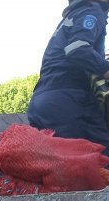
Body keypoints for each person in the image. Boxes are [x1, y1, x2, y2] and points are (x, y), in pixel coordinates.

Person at [28, 0, 109, 153]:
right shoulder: (91, 11)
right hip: (69, 101)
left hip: (43, 102)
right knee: (102, 158)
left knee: (57, 170)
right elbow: (77, 49)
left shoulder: (71, 16)